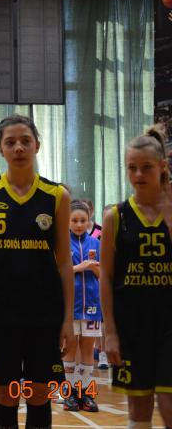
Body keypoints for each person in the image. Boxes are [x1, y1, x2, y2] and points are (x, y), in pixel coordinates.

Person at [0, 114, 74, 429]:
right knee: (5, 396)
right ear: (0, 149)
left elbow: (64, 262)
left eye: (25, 141)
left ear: (37, 145)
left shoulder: (57, 196)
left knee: (40, 395)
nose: (18, 148)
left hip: (44, 314)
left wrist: (68, 319)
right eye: (10, 142)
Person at [100, 125, 172, 429]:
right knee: (138, 409)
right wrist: (110, 332)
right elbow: (106, 276)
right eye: (132, 168)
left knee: (169, 405)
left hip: (169, 324)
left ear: (162, 166)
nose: (138, 174)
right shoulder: (116, 216)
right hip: (131, 326)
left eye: (146, 167)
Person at [61, 199, 102, 412]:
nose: (79, 224)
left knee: (88, 349)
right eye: (75, 220)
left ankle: (85, 393)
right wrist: (79, 267)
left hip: (92, 305)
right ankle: (68, 394)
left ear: (89, 221)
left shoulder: (96, 243)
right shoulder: (61, 243)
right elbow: (57, 273)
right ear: (67, 221)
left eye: (83, 220)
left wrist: (94, 269)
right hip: (69, 306)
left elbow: (103, 275)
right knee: (69, 348)